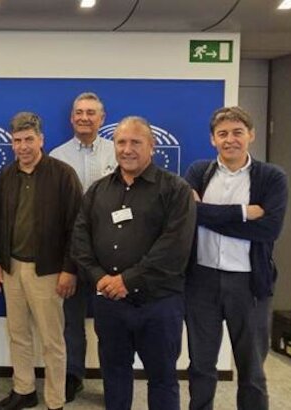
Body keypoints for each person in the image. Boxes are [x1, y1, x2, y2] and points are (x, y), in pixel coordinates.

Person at [71, 116, 196, 410]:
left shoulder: (175, 190)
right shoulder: (98, 190)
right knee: (114, 375)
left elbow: (174, 248)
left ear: (152, 146)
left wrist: (126, 281)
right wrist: (99, 277)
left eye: (136, 142)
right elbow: (80, 238)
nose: (127, 149)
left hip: (159, 304)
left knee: (162, 378)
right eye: (121, 142)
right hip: (110, 303)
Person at [184, 106, 287, 410]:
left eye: (237, 132)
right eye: (223, 134)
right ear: (213, 139)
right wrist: (243, 213)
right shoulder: (198, 172)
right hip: (201, 282)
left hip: (249, 284)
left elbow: (269, 229)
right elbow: (187, 216)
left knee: (252, 369)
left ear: (251, 135)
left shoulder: (271, 177)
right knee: (201, 366)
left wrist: (205, 214)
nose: (230, 140)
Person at [0, 112, 83, 410]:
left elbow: (76, 228)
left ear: (41, 139)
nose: (23, 146)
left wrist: (69, 269)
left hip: (48, 271)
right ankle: (24, 389)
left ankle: (55, 400)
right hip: (12, 268)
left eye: (29, 139)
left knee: (52, 341)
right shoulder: (7, 176)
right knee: (18, 334)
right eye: (17, 140)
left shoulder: (63, 175)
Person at [49, 91, 117, 402]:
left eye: (91, 113)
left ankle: (114, 382)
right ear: (71, 118)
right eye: (79, 113)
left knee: (110, 324)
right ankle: (72, 376)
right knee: (71, 321)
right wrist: (68, 264)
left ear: (102, 119)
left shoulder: (117, 152)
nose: (84, 118)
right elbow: (54, 214)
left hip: (111, 255)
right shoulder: (57, 157)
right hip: (74, 255)